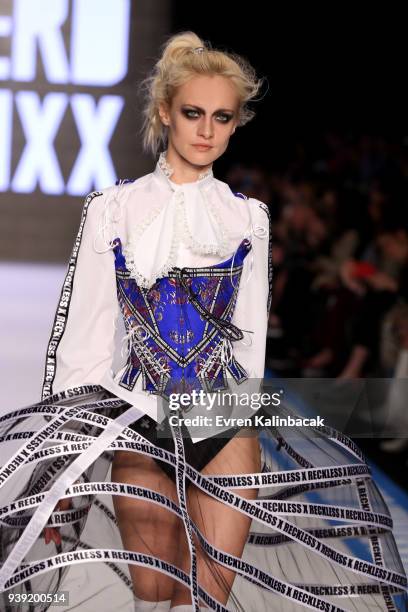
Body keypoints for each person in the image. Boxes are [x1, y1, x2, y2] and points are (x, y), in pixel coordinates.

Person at [0, 31, 407, 612]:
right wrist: (63, 464)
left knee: (208, 600)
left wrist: (248, 417)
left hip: (220, 415)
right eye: (194, 113)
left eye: (222, 117)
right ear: (166, 111)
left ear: (236, 124)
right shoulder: (112, 209)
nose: (207, 130)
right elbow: (82, 341)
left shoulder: (248, 218)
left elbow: (250, 342)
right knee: (155, 596)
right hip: (137, 412)